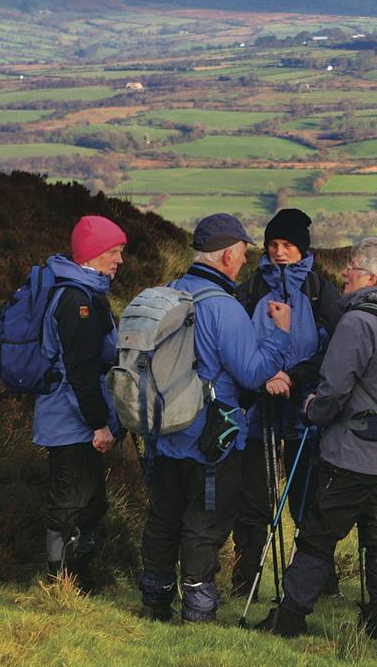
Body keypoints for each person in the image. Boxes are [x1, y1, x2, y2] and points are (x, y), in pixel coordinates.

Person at [138, 213, 293, 624]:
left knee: (163, 516)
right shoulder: (225, 308)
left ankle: (154, 600)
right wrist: (280, 333)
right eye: (242, 253)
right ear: (227, 255)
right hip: (212, 436)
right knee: (205, 521)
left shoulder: (168, 293)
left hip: (164, 427)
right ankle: (198, 609)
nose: (244, 262)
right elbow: (252, 373)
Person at [260, 237, 377, 639]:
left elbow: (334, 388)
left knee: (318, 533)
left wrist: (313, 408)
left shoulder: (357, 322)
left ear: (371, 277)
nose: (345, 273)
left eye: (354, 267)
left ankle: (290, 616)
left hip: (351, 453)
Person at [229, 208, 334, 599]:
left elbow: (334, 350)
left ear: (301, 248)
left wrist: (295, 376)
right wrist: (263, 377)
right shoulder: (251, 288)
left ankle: (317, 582)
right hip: (258, 411)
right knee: (254, 502)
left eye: (287, 244)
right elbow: (236, 346)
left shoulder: (321, 290)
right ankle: (246, 581)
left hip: (306, 415)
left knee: (308, 503)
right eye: (273, 244)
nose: (279, 251)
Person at [32, 214, 126, 586]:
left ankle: (79, 581)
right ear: (94, 253)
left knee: (90, 504)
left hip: (75, 420)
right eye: (114, 252)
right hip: (69, 424)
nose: (120, 260)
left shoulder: (88, 294)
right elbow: (80, 373)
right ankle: (59, 587)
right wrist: (99, 424)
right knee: (68, 507)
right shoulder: (76, 302)